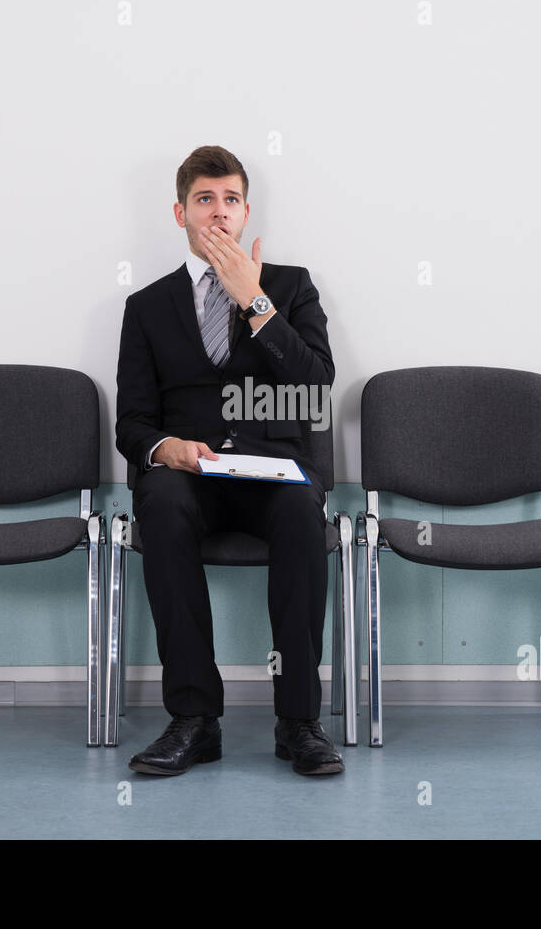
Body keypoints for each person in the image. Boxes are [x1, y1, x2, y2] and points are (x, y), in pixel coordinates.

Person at [114, 145, 343, 776]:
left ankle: (299, 721)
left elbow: (315, 387)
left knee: (302, 511)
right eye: (204, 200)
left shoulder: (291, 287)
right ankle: (194, 720)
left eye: (231, 200)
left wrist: (254, 300)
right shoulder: (147, 307)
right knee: (158, 503)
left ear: (246, 213)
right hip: (190, 477)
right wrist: (168, 450)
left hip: (273, 474)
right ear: (179, 213)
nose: (219, 214)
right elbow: (131, 422)